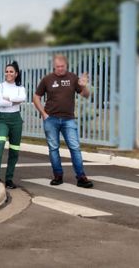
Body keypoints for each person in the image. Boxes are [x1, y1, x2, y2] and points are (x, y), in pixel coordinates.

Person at [33, 55, 93, 188]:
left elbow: (86, 95)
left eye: (62, 67)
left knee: (75, 148)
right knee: (53, 148)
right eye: (57, 67)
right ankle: (58, 175)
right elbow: (36, 97)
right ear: (54, 66)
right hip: (51, 119)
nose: (60, 69)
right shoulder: (47, 79)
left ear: (66, 66)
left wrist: (85, 86)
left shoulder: (73, 78)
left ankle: (81, 177)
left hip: (68, 119)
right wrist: (43, 114)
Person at [0, 61, 26, 188]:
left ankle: (9, 179)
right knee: (0, 142)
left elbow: (23, 98)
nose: (8, 73)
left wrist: (8, 99)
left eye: (11, 71)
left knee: (14, 150)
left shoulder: (20, 88)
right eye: (7, 71)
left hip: (16, 120)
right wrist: (14, 101)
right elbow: (0, 103)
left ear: (16, 74)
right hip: (3, 119)